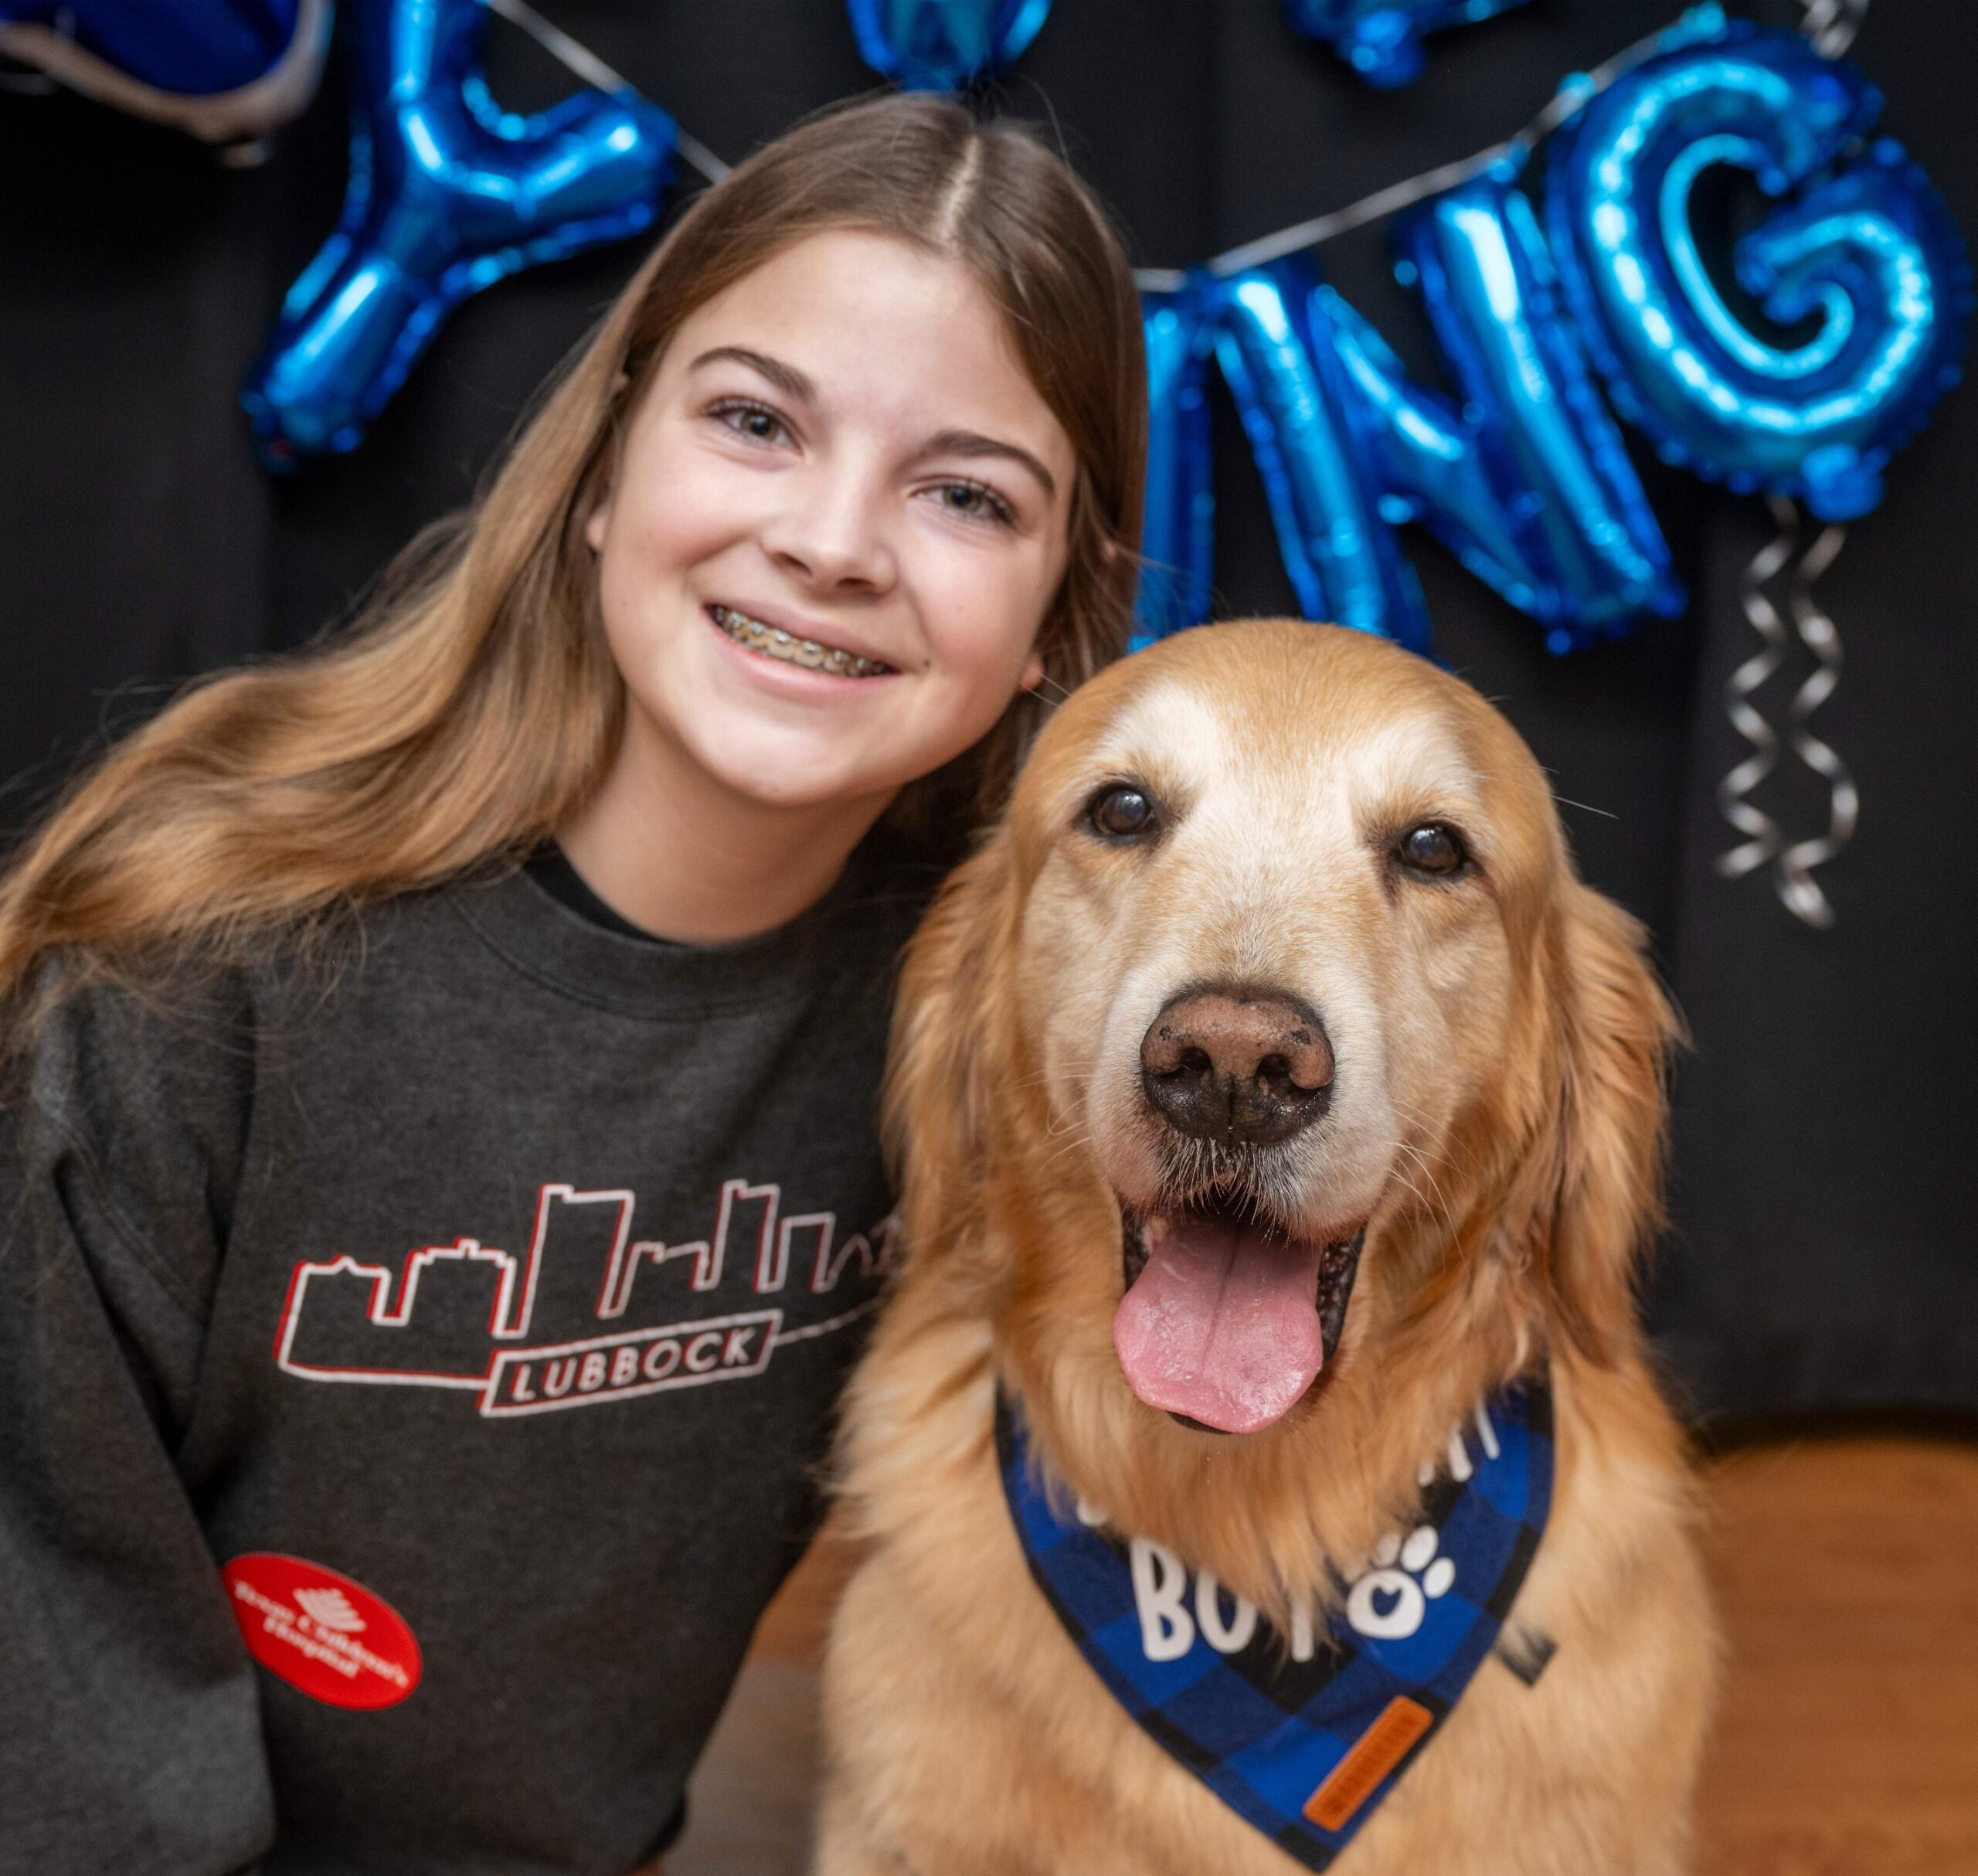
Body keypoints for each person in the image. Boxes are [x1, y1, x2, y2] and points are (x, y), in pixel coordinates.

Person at [0, 92, 1145, 1875]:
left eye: (963, 494)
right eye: (755, 421)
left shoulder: (986, 1028)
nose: (834, 541)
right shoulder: (189, 962)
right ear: (606, 471)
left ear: (1056, 619)